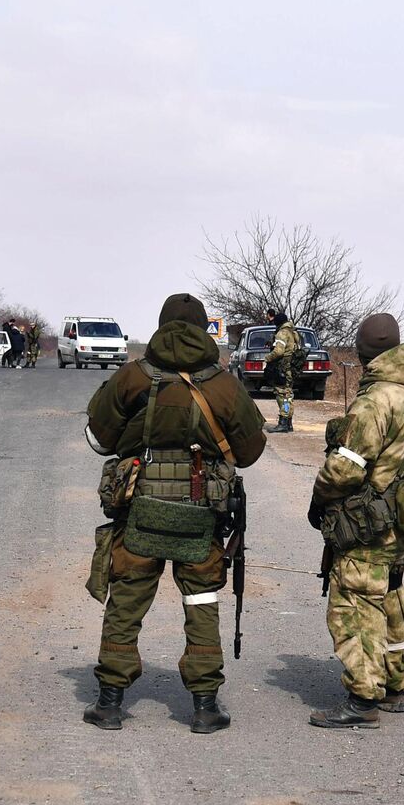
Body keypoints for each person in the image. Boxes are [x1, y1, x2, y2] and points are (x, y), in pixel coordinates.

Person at [83, 293, 266, 733]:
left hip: (139, 512)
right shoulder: (222, 383)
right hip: (200, 517)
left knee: (126, 598)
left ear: (161, 327)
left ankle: (110, 703)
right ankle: (204, 707)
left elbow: (97, 437)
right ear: (205, 331)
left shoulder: (132, 376)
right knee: (201, 600)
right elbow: (250, 451)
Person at [306, 312, 404, 728]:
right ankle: (395, 683)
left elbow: (346, 469)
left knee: (354, 600)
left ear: (365, 354)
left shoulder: (375, 400)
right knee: (392, 590)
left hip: (368, 518)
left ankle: (363, 698)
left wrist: (318, 499)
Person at [263, 306, 300, 433]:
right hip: (291, 368)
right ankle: (288, 422)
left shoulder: (282, 333)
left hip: (282, 368)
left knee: (282, 395)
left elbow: (279, 351)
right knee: (288, 395)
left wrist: (268, 358)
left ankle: (283, 422)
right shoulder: (294, 332)